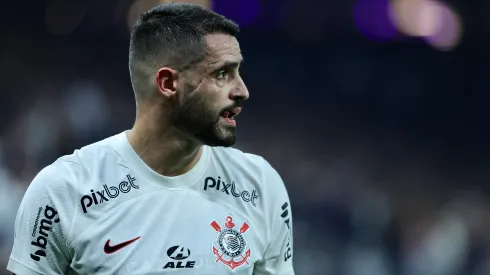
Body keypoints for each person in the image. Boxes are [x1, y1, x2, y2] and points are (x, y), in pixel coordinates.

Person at [6, 3, 294, 275]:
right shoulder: (61, 191)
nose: (242, 90)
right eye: (222, 74)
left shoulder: (260, 186)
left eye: (238, 72)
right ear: (168, 83)